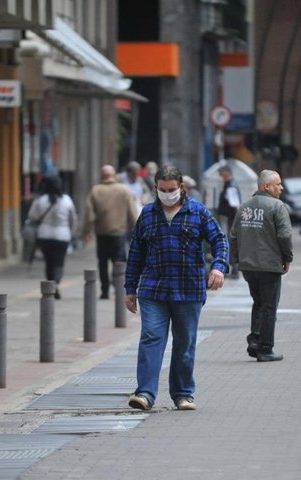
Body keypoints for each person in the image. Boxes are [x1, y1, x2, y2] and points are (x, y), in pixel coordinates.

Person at [125, 165, 228, 411]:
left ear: (181, 187)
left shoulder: (198, 212)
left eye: (171, 189)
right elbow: (135, 253)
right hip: (153, 290)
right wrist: (130, 288)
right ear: (156, 188)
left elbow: (219, 240)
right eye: (162, 190)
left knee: (184, 343)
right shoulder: (148, 214)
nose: (167, 194)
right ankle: (145, 394)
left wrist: (218, 267)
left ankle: (183, 394)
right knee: (151, 338)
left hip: (188, 290)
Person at [230, 170, 293, 362]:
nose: (281, 188)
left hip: (249, 266)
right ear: (266, 186)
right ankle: (265, 349)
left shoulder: (244, 207)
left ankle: (255, 340)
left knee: (258, 303)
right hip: (269, 265)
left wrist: (237, 259)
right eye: (278, 184)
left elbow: (233, 236)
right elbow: (284, 235)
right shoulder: (277, 206)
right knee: (269, 307)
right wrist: (287, 257)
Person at [84, 165, 138, 299]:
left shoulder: (95, 190)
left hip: (101, 232)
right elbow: (132, 212)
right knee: (119, 261)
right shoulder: (123, 190)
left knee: (102, 262)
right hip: (119, 232)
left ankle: (105, 290)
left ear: (102, 175)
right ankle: (119, 286)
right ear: (113, 175)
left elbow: (89, 214)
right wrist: (136, 228)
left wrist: (87, 231)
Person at [27, 176, 77, 299]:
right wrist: (71, 232)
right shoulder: (67, 200)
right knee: (59, 262)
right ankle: (56, 283)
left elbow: (32, 216)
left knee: (49, 262)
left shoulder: (41, 200)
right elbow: (73, 219)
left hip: (44, 235)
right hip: (62, 235)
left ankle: (50, 284)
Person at [217, 164, 241, 278]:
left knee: (231, 244)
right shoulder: (229, 185)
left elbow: (235, 205)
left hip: (231, 219)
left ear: (226, 174)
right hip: (231, 219)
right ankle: (233, 269)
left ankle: (235, 269)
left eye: (221, 175)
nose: (221, 177)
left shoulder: (231, 186)